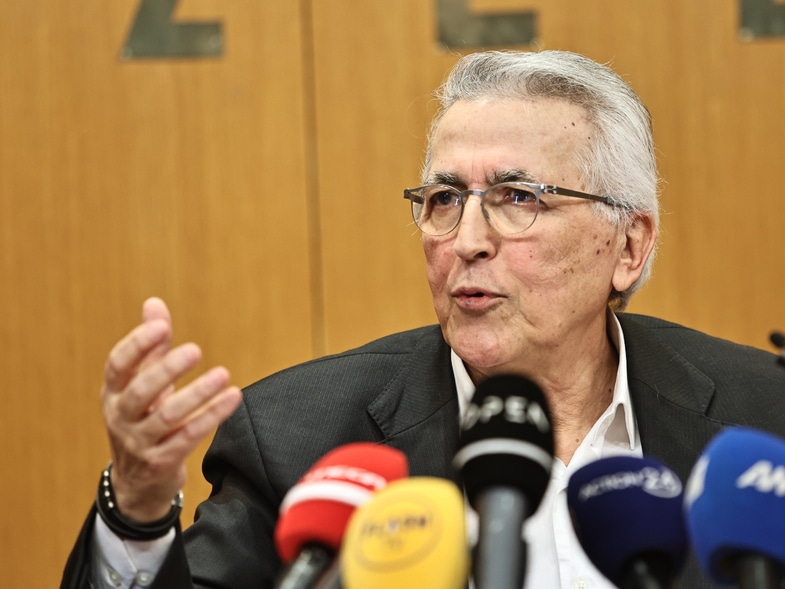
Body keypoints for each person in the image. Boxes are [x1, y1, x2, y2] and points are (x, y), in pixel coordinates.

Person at [61, 50, 785, 589]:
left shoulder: (763, 419)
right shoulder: (299, 440)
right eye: (444, 200)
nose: (466, 240)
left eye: (517, 197)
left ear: (627, 246)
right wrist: (137, 513)